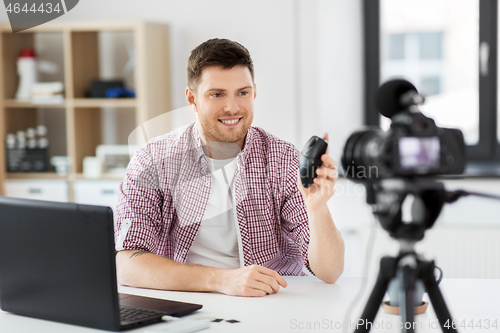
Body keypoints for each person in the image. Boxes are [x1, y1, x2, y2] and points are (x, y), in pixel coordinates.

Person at [114, 38, 344, 297]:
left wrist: (317, 208)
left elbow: (330, 272)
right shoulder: (153, 159)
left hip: (271, 299)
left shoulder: (283, 157)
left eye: (242, 93)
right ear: (192, 98)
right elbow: (127, 264)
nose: (232, 107)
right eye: (217, 94)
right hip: (189, 297)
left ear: (254, 92)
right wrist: (222, 281)